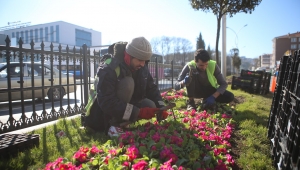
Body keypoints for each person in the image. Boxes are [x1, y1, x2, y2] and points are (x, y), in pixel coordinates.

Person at [84, 37, 168, 136]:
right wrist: (138, 112)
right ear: (128, 56)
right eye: (140, 60)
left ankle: (124, 122)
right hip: (100, 115)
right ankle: (113, 126)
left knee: (150, 105)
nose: (143, 64)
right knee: (128, 83)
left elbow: (151, 88)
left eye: (145, 61)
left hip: (120, 105)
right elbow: (106, 101)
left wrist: (161, 106)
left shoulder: (141, 67)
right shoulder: (109, 67)